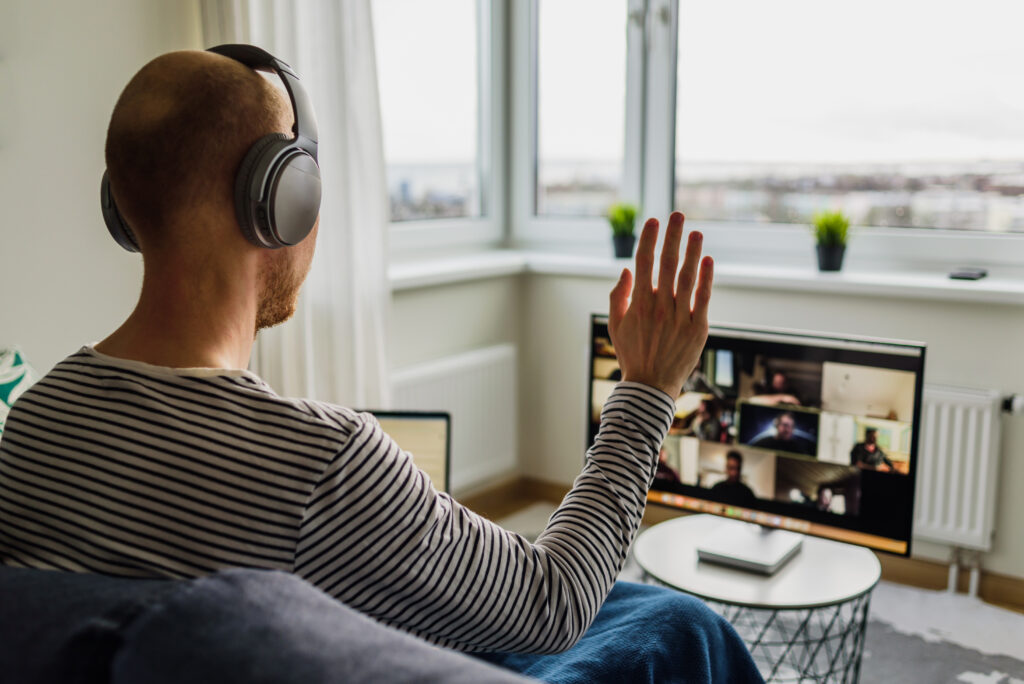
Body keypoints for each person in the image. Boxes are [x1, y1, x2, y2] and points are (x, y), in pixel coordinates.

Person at [0, 48, 717, 657]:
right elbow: (551, 606)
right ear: (283, 197)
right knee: (677, 625)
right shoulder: (321, 461)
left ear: (123, 208)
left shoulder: (32, 425)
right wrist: (648, 389)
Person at [749, 411, 816, 455]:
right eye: (785, 425)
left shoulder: (798, 449)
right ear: (777, 425)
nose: (788, 430)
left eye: (791, 426)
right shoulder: (762, 444)